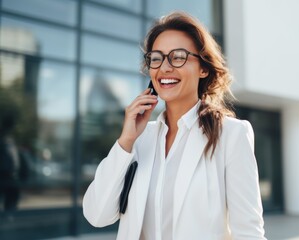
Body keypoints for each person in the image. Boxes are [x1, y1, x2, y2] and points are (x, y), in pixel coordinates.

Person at [83, 11, 266, 240]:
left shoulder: (231, 135)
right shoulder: (139, 138)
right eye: (156, 58)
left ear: (203, 68)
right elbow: (96, 215)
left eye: (178, 56)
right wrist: (126, 141)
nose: (165, 68)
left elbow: (249, 234)